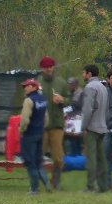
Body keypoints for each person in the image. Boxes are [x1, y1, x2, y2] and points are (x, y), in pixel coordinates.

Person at [37, 55, 69, 189]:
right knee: (38, 154)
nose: (49, 69)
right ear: (42, 68)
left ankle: (55, 181)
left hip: (57, 124)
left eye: (50, 66)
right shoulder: (37, 83)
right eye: (46, 67)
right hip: (41, 125)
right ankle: (39, 181)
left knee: (58, 157)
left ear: (53, 67)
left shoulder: (61, 82)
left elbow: (71, 101)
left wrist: (62, 99)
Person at [81, 64, 109, 193]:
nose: (83, 75)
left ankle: (90, 186)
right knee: (101, 157)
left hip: (92, 126)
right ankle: (103, 185)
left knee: (91, 157)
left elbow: (87, 109)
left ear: (89, 74)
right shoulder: (103, 87)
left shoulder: (90, 87)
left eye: (84, 73)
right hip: (102, 125)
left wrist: (83, 126)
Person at [19, 79, 50, 195]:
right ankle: (47, 184)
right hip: (40, 133)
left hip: (29, 134)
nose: (25, 88)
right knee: (38, 161)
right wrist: (41, 128)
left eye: (27, 86)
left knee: (29, 161)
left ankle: (34, 188)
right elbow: (46, 118)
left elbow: (25, 119)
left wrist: (21, 130)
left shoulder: (28, 100)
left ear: (34, 87)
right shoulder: (42, 99)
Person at [65, 77, 83, 156]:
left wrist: (64, 110)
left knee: (75, 138)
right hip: (70, 118)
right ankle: (74, 155)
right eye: (69, 84)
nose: (69, 86)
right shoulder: (70, 93)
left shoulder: (79, 92)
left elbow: (76, 106)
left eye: (71, 84)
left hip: (77, 118)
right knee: (72, 137)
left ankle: (76, 155)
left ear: (75, 84)